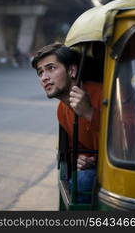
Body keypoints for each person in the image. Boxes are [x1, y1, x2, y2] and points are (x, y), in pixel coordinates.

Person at [31, 42, 102, 203]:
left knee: (81, 182)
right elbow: (74, 149)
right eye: (40, 72)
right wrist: (83, 158)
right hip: (96, 168)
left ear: (71, 71)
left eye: (51, 68)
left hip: (119, 170)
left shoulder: (102, 93)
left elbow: (130, 138)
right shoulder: (61, 111)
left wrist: (89, 113)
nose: (44, 77)